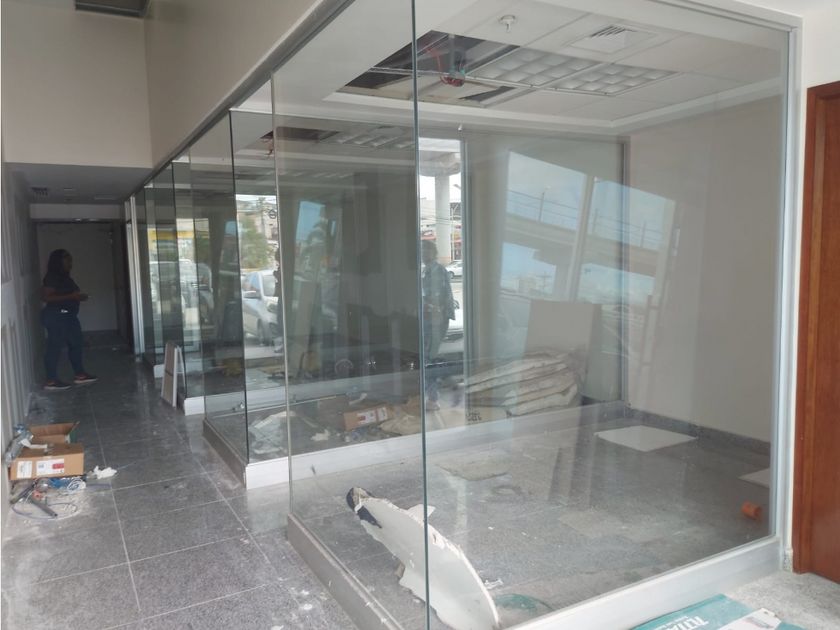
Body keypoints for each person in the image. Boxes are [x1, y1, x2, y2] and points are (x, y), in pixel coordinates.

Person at [40, 249, 97, 390]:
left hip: (68, 316)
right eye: (67, 259)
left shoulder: (64, 276)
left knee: (76, 343)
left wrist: (78, 297)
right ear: (58, 261)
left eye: (71, 259)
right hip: (56, 316)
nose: (70, 262)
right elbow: (46, 297)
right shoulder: (52, 276)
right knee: (54, 347)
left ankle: (80, 374)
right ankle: (51, 381)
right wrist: (71, 296)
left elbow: (68, 293)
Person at [421, 240, 455, 408]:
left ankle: (433, 399)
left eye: (426, 250)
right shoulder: (427, 270)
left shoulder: (437, 270)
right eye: (421, 251)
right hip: (430, 319)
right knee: (427, 357)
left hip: (435, 321)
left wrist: (429, 307)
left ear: (433, 252)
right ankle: (433, 396)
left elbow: (439, 300)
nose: (423, 254)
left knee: (429, 358)